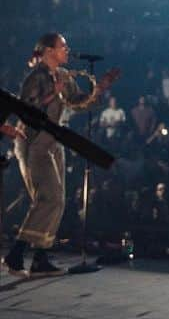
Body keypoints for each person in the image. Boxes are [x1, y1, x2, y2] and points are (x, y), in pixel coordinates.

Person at [3, 32, 120, 276]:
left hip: (53, 143)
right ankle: (17, 254)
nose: (67, 50)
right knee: (50, 198)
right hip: (33, 143)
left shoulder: (64, 76)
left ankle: (38, 258)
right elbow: (25, 110)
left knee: (56, 200)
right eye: (63, 47)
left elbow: (79, 101)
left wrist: (99, 89)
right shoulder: (35, 77)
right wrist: (51, 94)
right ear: (48, 51)